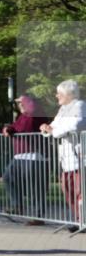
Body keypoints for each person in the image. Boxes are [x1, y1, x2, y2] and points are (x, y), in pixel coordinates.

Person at [40, 80, 85, 228]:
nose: (56, 95)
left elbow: (76, 124)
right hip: (67, 160)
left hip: (79, 158)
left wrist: (54, 131)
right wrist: (46, 128)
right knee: (68, 189)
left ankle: (83, 221)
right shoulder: (63, 109)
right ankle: (79, 220)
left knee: (81, 192)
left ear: (69, 94)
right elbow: (53, 126)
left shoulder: (80, 105)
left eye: (59, 93)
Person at [1, 94, 51, 218]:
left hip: (35, 156)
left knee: (36, 187)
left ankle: (38, 216)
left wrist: (11, 129)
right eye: (19, 103)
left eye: (23, 102)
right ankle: (17, 206)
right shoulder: (22, 116)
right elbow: (14, 127)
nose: (20, 105)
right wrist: (7, 129)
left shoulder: (36, 114)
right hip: (19, 156)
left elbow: (25, 128)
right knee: (8, 178)